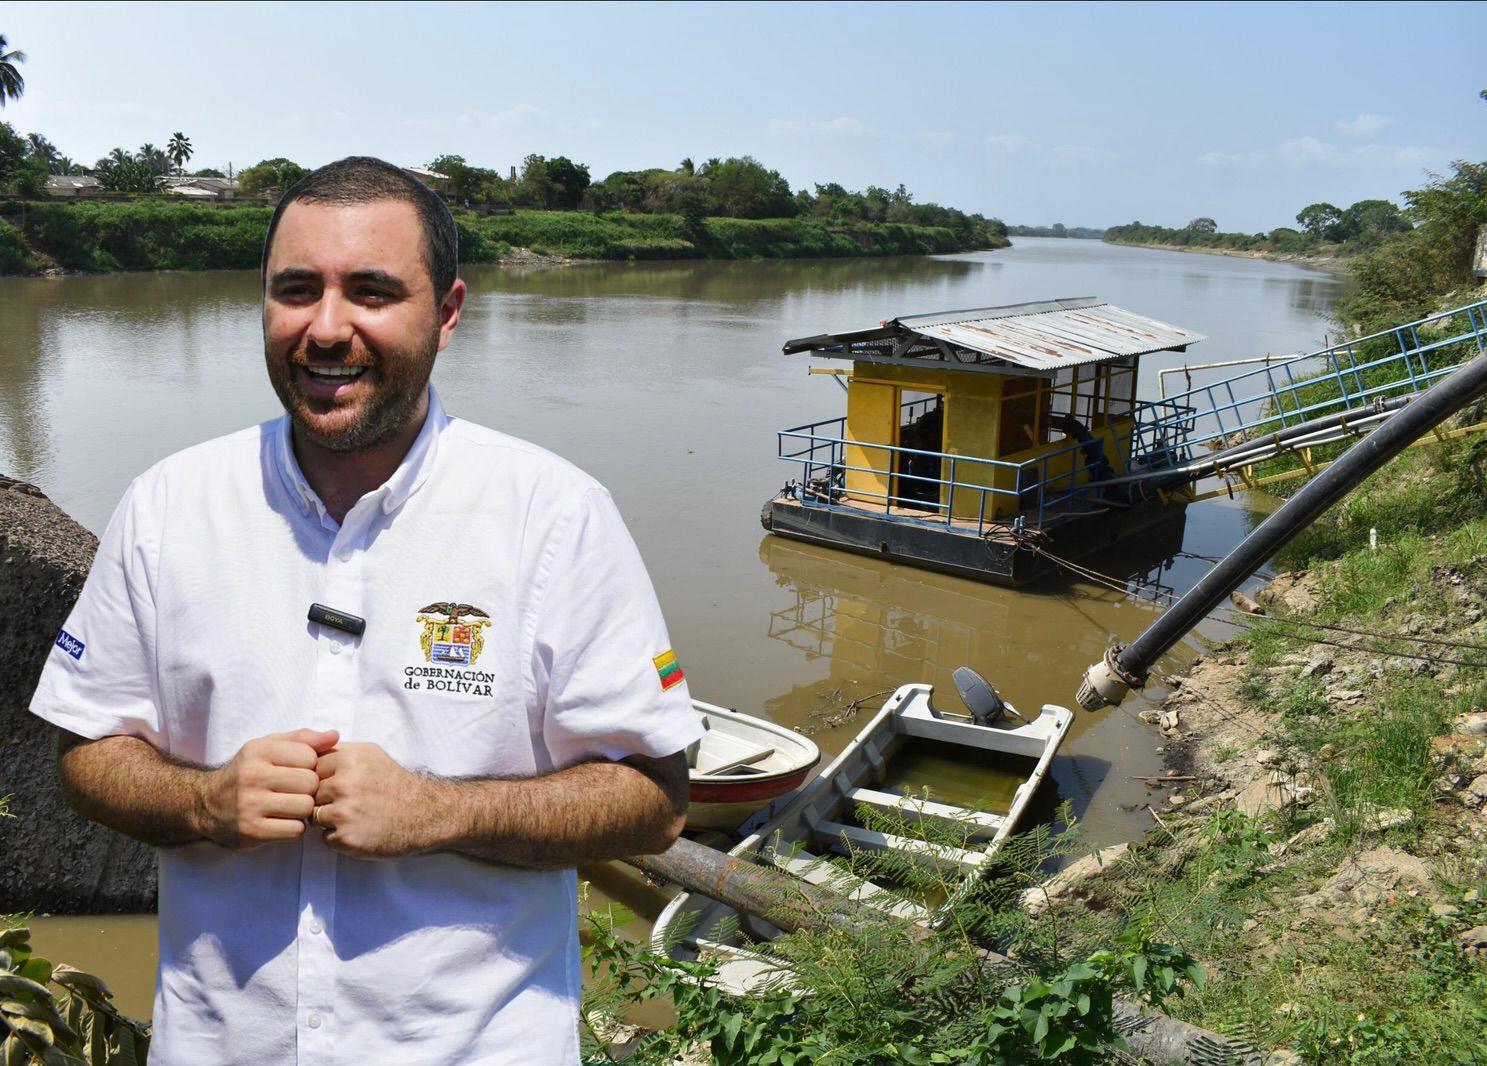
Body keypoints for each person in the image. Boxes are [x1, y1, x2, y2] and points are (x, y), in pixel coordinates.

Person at [29, 156, 704, 1065]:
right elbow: (86, 755)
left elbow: (653, 801)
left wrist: (437, 812)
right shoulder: (168, 506)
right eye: (297, 290)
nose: (326, 328)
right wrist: (204, 800)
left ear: (449, 313)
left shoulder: (553, 516)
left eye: (373, 292)